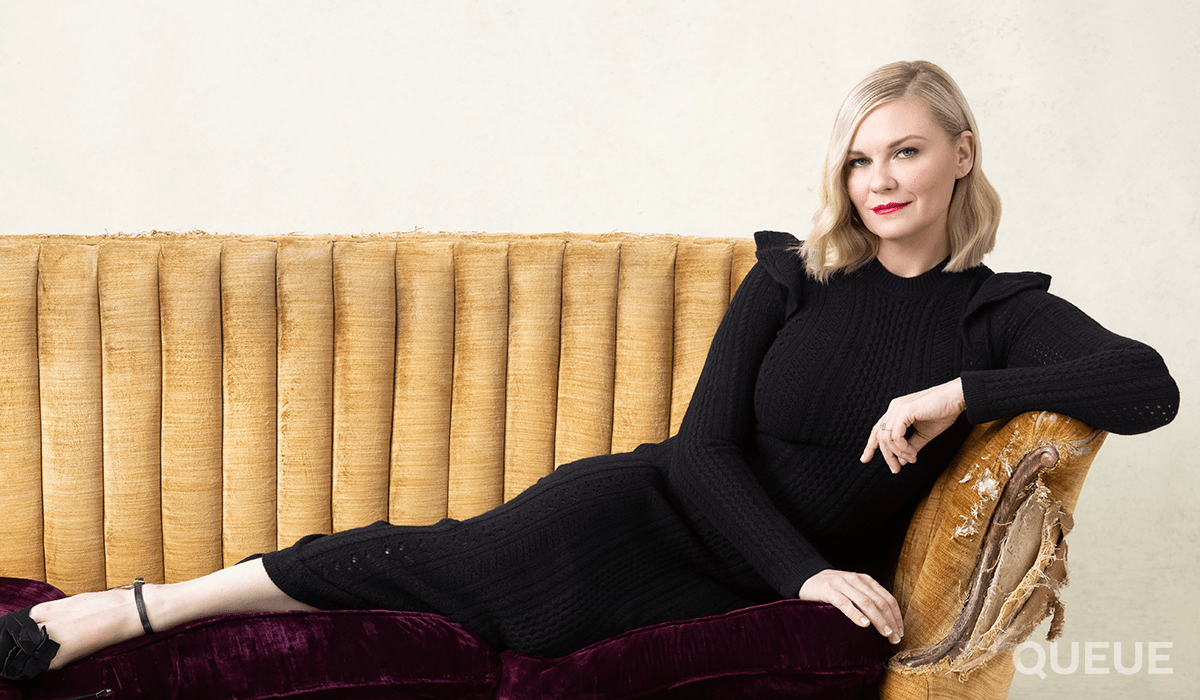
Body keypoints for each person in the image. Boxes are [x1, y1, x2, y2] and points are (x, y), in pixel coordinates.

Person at [1, 59, 1179, 681]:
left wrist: (962, 392)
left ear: (961, 155)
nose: (879, 181)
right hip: (648, 511)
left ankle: (151, 617)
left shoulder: (1000, 318)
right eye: (859, 159)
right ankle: (132, 612)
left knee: (464, 618)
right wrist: (809, 574)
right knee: (434, 561)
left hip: (738, 590)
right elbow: (703, 451)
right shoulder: (794, 274)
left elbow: (1148, 386)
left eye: (906, 151)